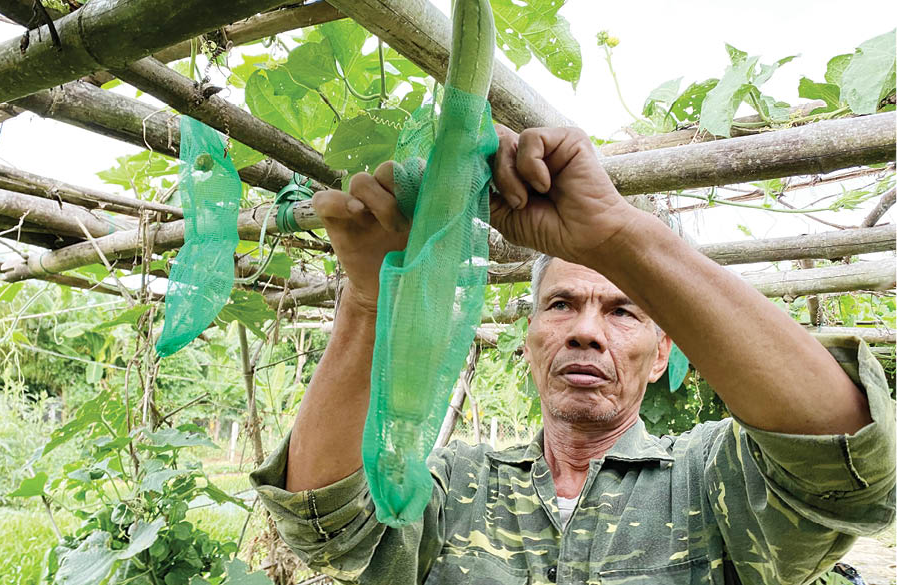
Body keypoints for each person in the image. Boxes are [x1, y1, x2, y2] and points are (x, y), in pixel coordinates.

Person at [250, 126, 895, 584]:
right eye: (560, 305)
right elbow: (325, 531)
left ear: (664, 349)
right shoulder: (452, 485)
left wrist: (616, 234)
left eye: (622, 311)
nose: (586, 331)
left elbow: (845, 460)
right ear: (529, 338)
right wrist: (368, 301)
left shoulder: (707, 478)